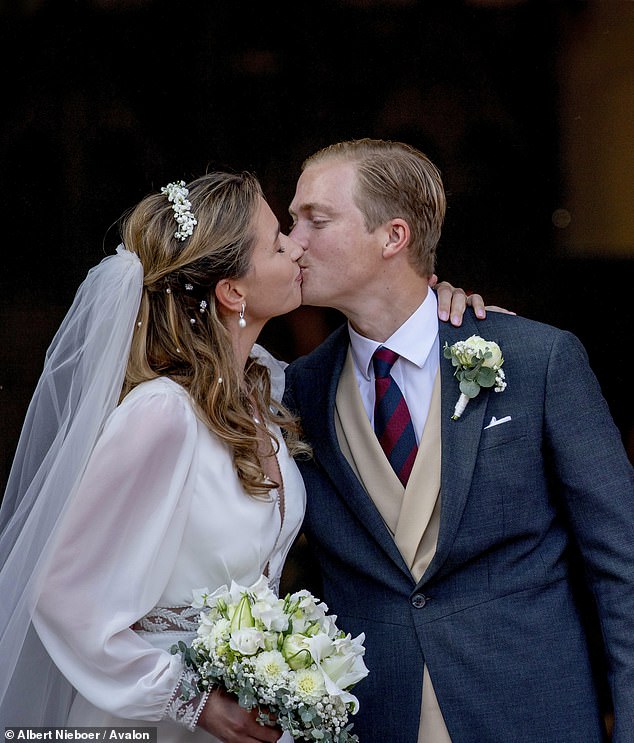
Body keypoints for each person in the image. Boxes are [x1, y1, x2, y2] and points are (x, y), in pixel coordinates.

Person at [0, 169, 476, 740]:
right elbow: (63, 592)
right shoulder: (162, 415)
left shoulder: (266, 389)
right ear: (232, 291)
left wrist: (431, 306)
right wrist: (191, 701)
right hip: (160, 719)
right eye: (278, 242)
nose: (297, 247)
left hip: (252, 709)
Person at [283, 138, 634, 743]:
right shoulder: (296, 391)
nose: (293, 241)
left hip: (531, 713)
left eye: (315, 219)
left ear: (392, 237)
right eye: (292, 222)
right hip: (369, 717)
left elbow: (621, 565)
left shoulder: (536, 358)